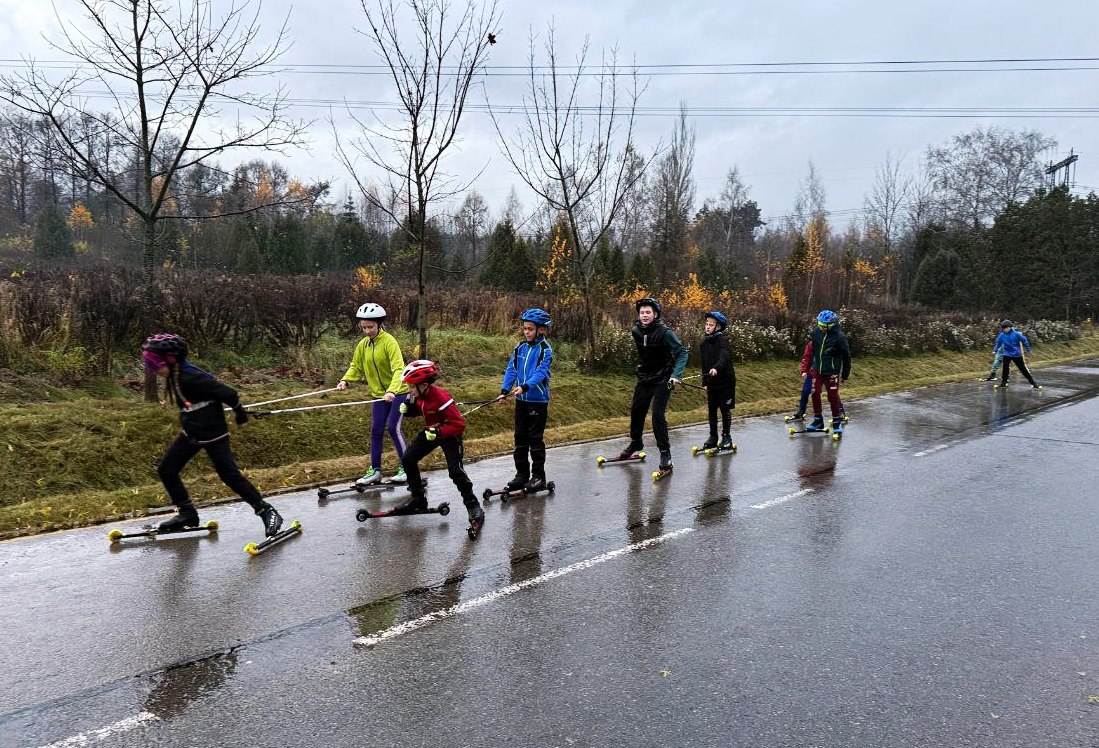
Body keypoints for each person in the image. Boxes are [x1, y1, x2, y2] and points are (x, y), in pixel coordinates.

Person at [141, 333, 282, 537]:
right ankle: (187, 514)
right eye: (149, 363)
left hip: (212, 430)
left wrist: (239, 411)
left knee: (229, 475)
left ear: (171, 359)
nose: (152, 368)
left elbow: (228, 393)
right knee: (167, 469)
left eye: (155, 362)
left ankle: (267, 511)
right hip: (192, 430)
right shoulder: (176, 375)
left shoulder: (191, 377)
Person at [396, 360, 485, 533]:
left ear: (424, 385)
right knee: (408, 459)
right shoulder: (419, 395)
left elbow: (459, 425)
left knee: (456, 472)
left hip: (449, 434)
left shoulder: (442, 397)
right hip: (431, 431)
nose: (409, 391)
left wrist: (439, 433)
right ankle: (418, 499)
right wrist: (409, 410)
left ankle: (473, 506)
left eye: (412, 387)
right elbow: (422, 409)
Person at [337, 303, 409, 485]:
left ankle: (407, 468)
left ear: (379, 324)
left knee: (393, 428)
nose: (367, 331)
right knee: (376, 430)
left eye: (370, 327)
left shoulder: (389, 342)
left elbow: (399, 369)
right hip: (378, 394)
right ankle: (375, 471)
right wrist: (345, 380)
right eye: (364, 328)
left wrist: (393, 390)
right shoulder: (363, 345)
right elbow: (356, 366)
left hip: (398, 392)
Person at [619, 297, 689, 473]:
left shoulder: (665, 332)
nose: (644, 315)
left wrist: (676, 375)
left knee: (657, 415)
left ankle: (665, 453)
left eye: (648, 312)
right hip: (645, 377)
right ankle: (636, 442)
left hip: (664, 378)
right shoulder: (636, 330)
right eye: (642, 312)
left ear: (655, 314)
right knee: (637, 411)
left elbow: (682, 353)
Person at [499, 308, 554, 492]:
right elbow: (511, 370)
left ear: (542, 330)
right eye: (525, 328)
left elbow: (540, 373)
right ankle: (522, 475)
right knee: (520, 438)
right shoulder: (520, 348)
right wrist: (505, 389)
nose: (527, 332)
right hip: (521, 401)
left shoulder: (545, 350)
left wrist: (525, 386)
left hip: (537, 401)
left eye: (530, 329)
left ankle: (539, 477)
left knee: (535, 439)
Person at [805, 310, 851, 433]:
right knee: (814, 392)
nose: (820, 327)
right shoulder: (816, 333)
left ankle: (836, 422)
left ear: (830, 325)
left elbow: (846, 356)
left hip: (832, 371)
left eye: (822, 325)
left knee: (833, 396)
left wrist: (845, 374)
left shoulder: (839, 337)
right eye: (818, 324)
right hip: (817, 369)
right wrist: (809, 366)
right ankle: (818, 420)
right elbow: (813, 350)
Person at [699, 310, 736, 451]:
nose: (707, 327)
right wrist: (705, 383)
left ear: (718, 327)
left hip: (726, 382)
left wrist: (716, 368)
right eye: (706, 324)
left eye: (711, 325)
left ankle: (727, 437)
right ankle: (713, 437)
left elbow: (724, 357)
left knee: (725, 410)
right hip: (712, 383)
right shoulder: (704, 343)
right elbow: (704, 365)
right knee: (712, 410)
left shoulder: (723, 341)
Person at [993, 319, 1041, 389]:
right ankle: (1004, 382)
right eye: (1003, 328)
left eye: (1006, 328)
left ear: (1010, 327)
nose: (1004, 330)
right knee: (1005, 367)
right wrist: (995, 349)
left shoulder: (1017, 334)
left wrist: (1028, 349)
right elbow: (998, 343)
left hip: (1016, 354)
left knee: (1023, 369)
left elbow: (1025, 341)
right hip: (1007, 353)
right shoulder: (1001, 335)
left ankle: (1033, 383)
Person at [786, 334, 814, 421]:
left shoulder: (827, 343)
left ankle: (840, 413)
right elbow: (806, 357)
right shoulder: (811, 344)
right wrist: (804, 370)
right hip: (811, 373)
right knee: (805, 392)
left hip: (824, 373)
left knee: (831, 393)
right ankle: (800, 413)